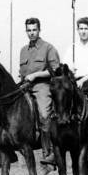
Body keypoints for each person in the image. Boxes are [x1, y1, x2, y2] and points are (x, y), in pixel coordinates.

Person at [19, 17, 60, 166]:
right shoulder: (23, 50)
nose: (31, 33)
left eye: (34, 30)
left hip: (42, 86)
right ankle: (8, 146)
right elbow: (22, 72)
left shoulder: (48, 48)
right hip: (25, 86)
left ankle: (49, 153)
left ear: (39, 30)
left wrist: (35, 75)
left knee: (44, 114)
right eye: (29, 30)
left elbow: (55, 70)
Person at [62, 17, 88, 105]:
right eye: (81, 29)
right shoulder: (71, 48)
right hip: (72, 83)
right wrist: (70, 71)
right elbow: (64, 67)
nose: (83, 31)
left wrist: (82, 81)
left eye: (86, 29)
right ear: (77, 30)